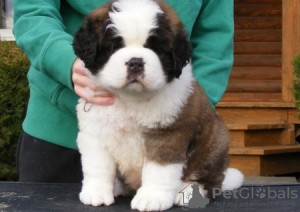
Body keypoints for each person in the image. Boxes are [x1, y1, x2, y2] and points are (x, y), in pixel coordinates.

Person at [13, 0, 234, 183]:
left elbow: (214, 41)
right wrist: (64, 61)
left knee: (186, 200)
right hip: (61, 132)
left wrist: (192, 117)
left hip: (169, 141)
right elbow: (33, 11)